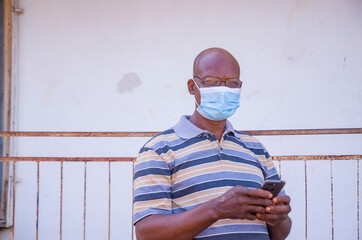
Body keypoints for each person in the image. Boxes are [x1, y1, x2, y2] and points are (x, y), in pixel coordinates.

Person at [133, 48, 292, 240]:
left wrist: (278, 218)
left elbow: (280, 234)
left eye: (232, 83)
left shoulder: (255, 148)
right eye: (212, 82)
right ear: (192, 87)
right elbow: (147, 233)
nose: (223, 89)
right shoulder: (158, 150)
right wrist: (217, 209)